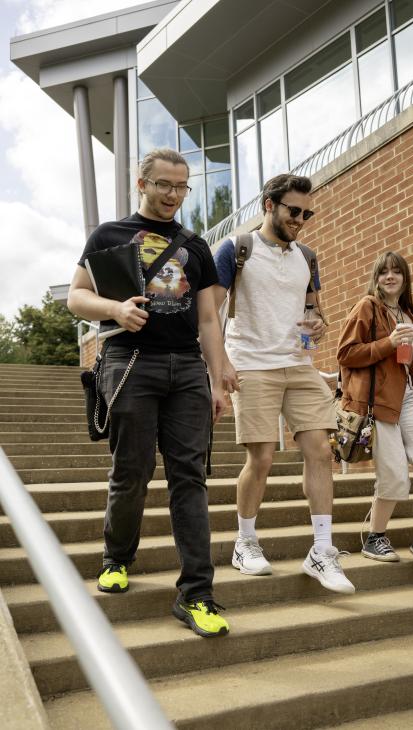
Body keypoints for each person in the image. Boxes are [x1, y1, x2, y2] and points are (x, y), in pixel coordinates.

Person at [67, 147, 230, 638]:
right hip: (130, 363)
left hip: (186, 371)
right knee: (130, 472)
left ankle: (197, 593)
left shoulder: (195, 245)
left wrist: (217, 378)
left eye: (182, 187)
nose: (174, 195)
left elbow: (207, 319)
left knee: (190, 480)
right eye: (164, 185)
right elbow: (76, 296)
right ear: (142, 184)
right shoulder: (110, 235)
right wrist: (115, 311)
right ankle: (116, 558)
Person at [212, 174, 354, 594]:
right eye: (295, 211)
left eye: (307, 213)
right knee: (262, 459)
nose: (302, 219)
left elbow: (315, 311)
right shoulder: (237, 250)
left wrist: (319, 325)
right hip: (252, 364)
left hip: (298, 363)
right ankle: (246, 542)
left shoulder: (307, 257)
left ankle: (322, 551)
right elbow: (210, 311)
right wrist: (218, 365)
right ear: (269, 205)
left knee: (320, 453)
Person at [337, 251, 413, 575]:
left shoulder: (409, 317)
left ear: (405, 278)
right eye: (384, 272)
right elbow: (346, 353)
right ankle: (375, 537)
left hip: (409, 398)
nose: (390, 277)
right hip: (378, 402)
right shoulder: (367, 307)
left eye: (396, 272)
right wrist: (388, 343)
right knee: (394, 474)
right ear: (376, 278)